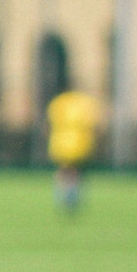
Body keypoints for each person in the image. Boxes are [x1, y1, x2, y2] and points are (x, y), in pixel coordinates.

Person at [45, 85, 100, 215]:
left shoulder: (58, 102)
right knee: (77, 171)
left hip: (60, 142)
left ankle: (64, 195)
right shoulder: (84, 102)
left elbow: (49, 123)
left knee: (64, 169)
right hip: (80, 143)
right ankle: (73, 195)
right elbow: (92, 125)